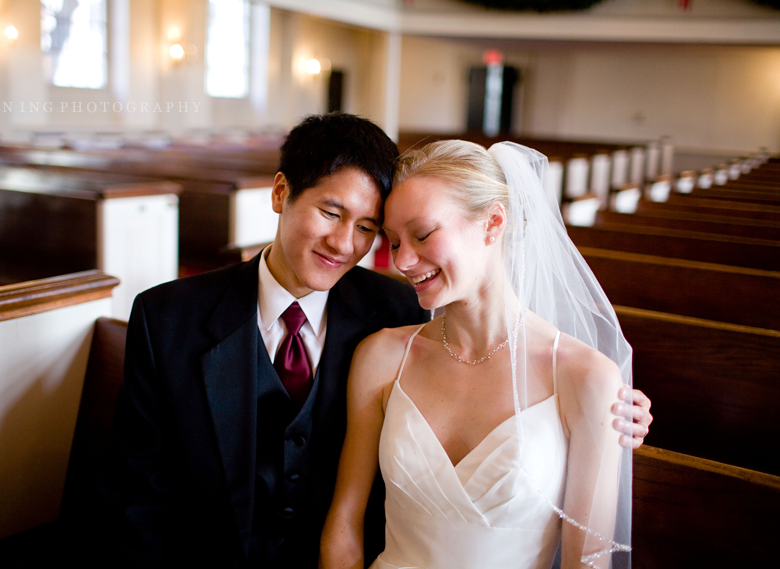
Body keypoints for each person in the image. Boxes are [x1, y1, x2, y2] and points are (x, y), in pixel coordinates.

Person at [103, 114, 650, 568]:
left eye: (369, 229)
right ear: (279, 192)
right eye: (330, 212)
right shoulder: (167, 319)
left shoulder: (393, 313)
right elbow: (140, 497)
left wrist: (609, 407)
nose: (347, 244)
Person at [320, 140, 641, 569]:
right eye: (394, 242)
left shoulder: (586, 378)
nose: (403, 260)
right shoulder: (382, 356)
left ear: (492, 222)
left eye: (423, 234)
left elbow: (588, 561)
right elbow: (343, 523)